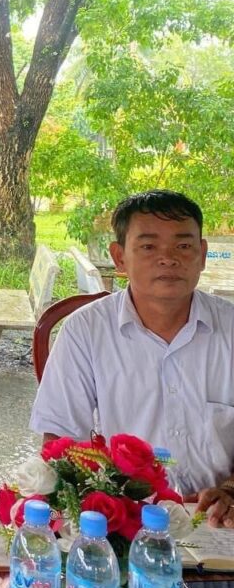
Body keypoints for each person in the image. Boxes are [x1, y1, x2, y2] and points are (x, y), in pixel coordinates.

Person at [30, 189, 234, 526]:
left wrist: (229, 490)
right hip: (124, 519)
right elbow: (60, 441)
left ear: (202, 254)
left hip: (219, 518)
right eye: (149, 246)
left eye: (184, 246)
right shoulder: (86, 331)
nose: (168, 259)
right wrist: (96, 501)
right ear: (120, 257)